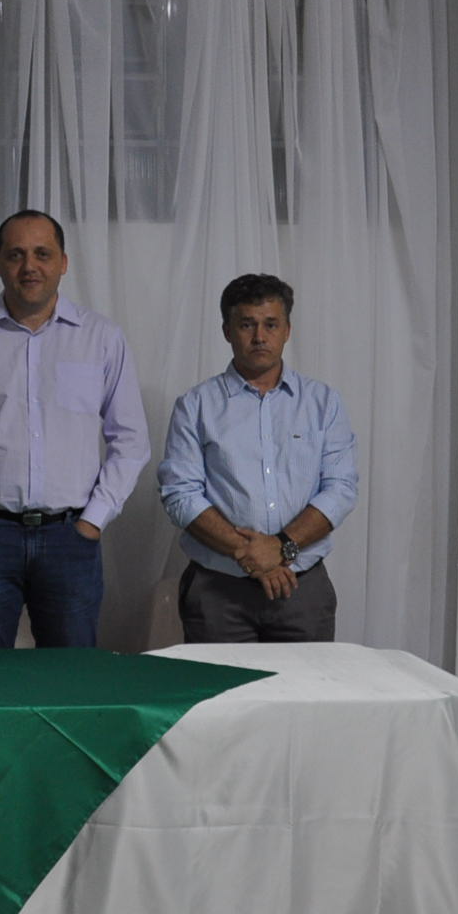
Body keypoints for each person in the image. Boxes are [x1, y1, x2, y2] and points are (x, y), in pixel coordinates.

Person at [0, 210, 147, 648]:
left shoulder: (102, 338)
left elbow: (131, 440)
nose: (29, 267)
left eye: (43, 254)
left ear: (63, 262)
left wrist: (93, 521)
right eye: (16, 254)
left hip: (70, 538)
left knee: (70, 676)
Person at [158, 273, 358, 643]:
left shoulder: (323, 403)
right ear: (227, 331)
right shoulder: (196, 406)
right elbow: (179, 494)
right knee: (220, 684)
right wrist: (250, 553)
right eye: (247, 324)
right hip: (217, 591)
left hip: (302, 589)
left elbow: (341, 489)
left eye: (271, 324)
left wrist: (281, 547)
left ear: (288, 330)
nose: (260, 337)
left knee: (306, 683)